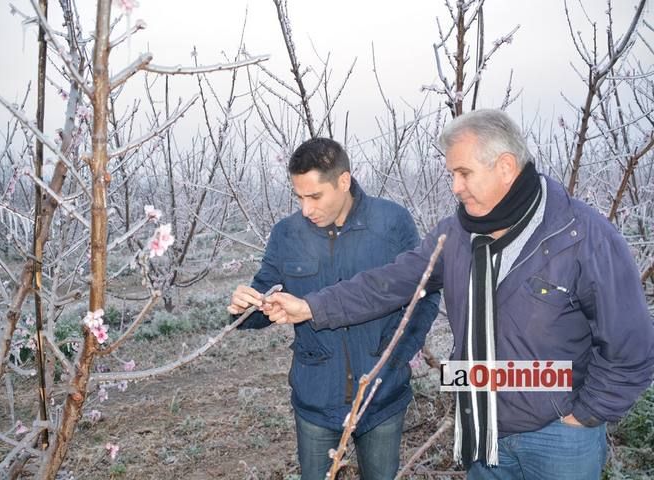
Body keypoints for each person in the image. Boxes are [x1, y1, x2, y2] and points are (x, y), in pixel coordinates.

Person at [262, 110, 654, 480]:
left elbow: (631, 345)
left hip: (558, 439)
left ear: (504, 167)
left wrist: (583, 416)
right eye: (452, 174)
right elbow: (389, 282)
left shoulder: (580, 236)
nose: (454, 186)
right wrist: (311, 305)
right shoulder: (457, 235)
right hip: (482, 434)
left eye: (463, 173)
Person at [227, 137, 440, 479]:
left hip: (381, 397)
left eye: (315, 196)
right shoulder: (287, 235)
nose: (306, 209)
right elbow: (264, 295)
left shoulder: (391, 223)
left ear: (344, 181)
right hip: (316, 400)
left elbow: (425, 293)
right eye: (299, 197)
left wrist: (397, 355)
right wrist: (244, 307)